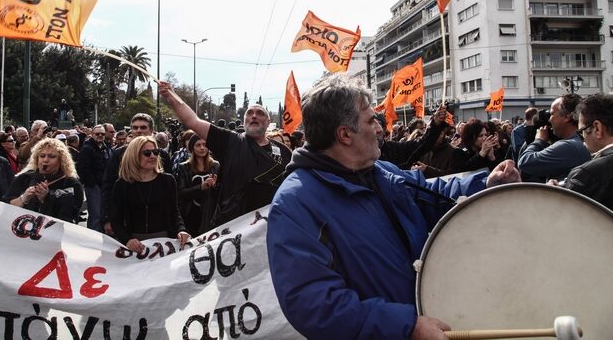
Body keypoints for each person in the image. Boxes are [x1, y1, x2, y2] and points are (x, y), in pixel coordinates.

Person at [266, 75, 521, 339]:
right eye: (370, 120)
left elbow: (436, 196)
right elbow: (314, 306)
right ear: (345, 134)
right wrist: (406, 326)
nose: (379, 129)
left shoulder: (382, 172)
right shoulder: (294, 204)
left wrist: (486, 184)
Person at [160, 82, 292, 227]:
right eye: (250, 113)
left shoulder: (284, 151)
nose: (254, 116)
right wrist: (171, 95)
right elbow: (192, 121)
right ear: (244, 120)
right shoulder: (230, 141)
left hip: (271, 225)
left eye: (260, 113)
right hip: (234, 225)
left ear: (268, 122)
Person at [109, 136, 190, 253]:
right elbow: (115, 219)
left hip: (165, 242)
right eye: (147, 153)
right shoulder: (122, 184)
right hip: (135, 245)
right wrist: (127, 239)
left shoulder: (167, 180)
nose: (152, 156)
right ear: (134, 155)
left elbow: (174, 211)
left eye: (156, 152)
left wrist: (181, 229)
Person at [101, 113, 170, 235]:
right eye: (135, 127)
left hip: (158, 221)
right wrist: (107, 218)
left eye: (143, 127)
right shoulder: (119, 154)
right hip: (127, 219)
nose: (138, 131)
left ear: (151, 130)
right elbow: (108, 186)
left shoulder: (161, 155)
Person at [549, 94, 613, 208]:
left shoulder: (586, 174)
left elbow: (560, 217)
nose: (582, 139)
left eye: (581, 132)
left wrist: (552, 196)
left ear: (597, 128)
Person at [4, 138, 83, 223]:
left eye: (52, 156)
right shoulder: (25, 178)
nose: (45, 160)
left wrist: (46, 199)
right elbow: (6, 206)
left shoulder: (71, 183)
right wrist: (23, 199)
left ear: (61, 160)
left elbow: (69, 217)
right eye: (42, 156)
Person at [518, 94, 591, 182]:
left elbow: (525, 163)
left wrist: (539, 140)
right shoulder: (582, 141)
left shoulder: (568, 146)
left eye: (552, 114)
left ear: (566, 117)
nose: (549, 120)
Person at [177, 134, 220, 236]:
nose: (202, 148)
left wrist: (215, 186)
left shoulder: (215, 165)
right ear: (192, 148)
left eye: (204, 144)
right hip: (191, 213)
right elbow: (181, 192)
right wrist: (201, 187)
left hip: (210, 213)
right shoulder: (184, 167)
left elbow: (221, 192)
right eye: (198, 145)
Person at [78, 125, 109, 231]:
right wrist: (93, 183)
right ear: (92, 134)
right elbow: (83, 168)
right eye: (97, 134)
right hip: (94, 187)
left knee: (101, 214)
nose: (100, 136)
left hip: (103, 186)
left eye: (103, 134)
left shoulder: (105, 147)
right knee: (95, 215)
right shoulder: (87, 148)